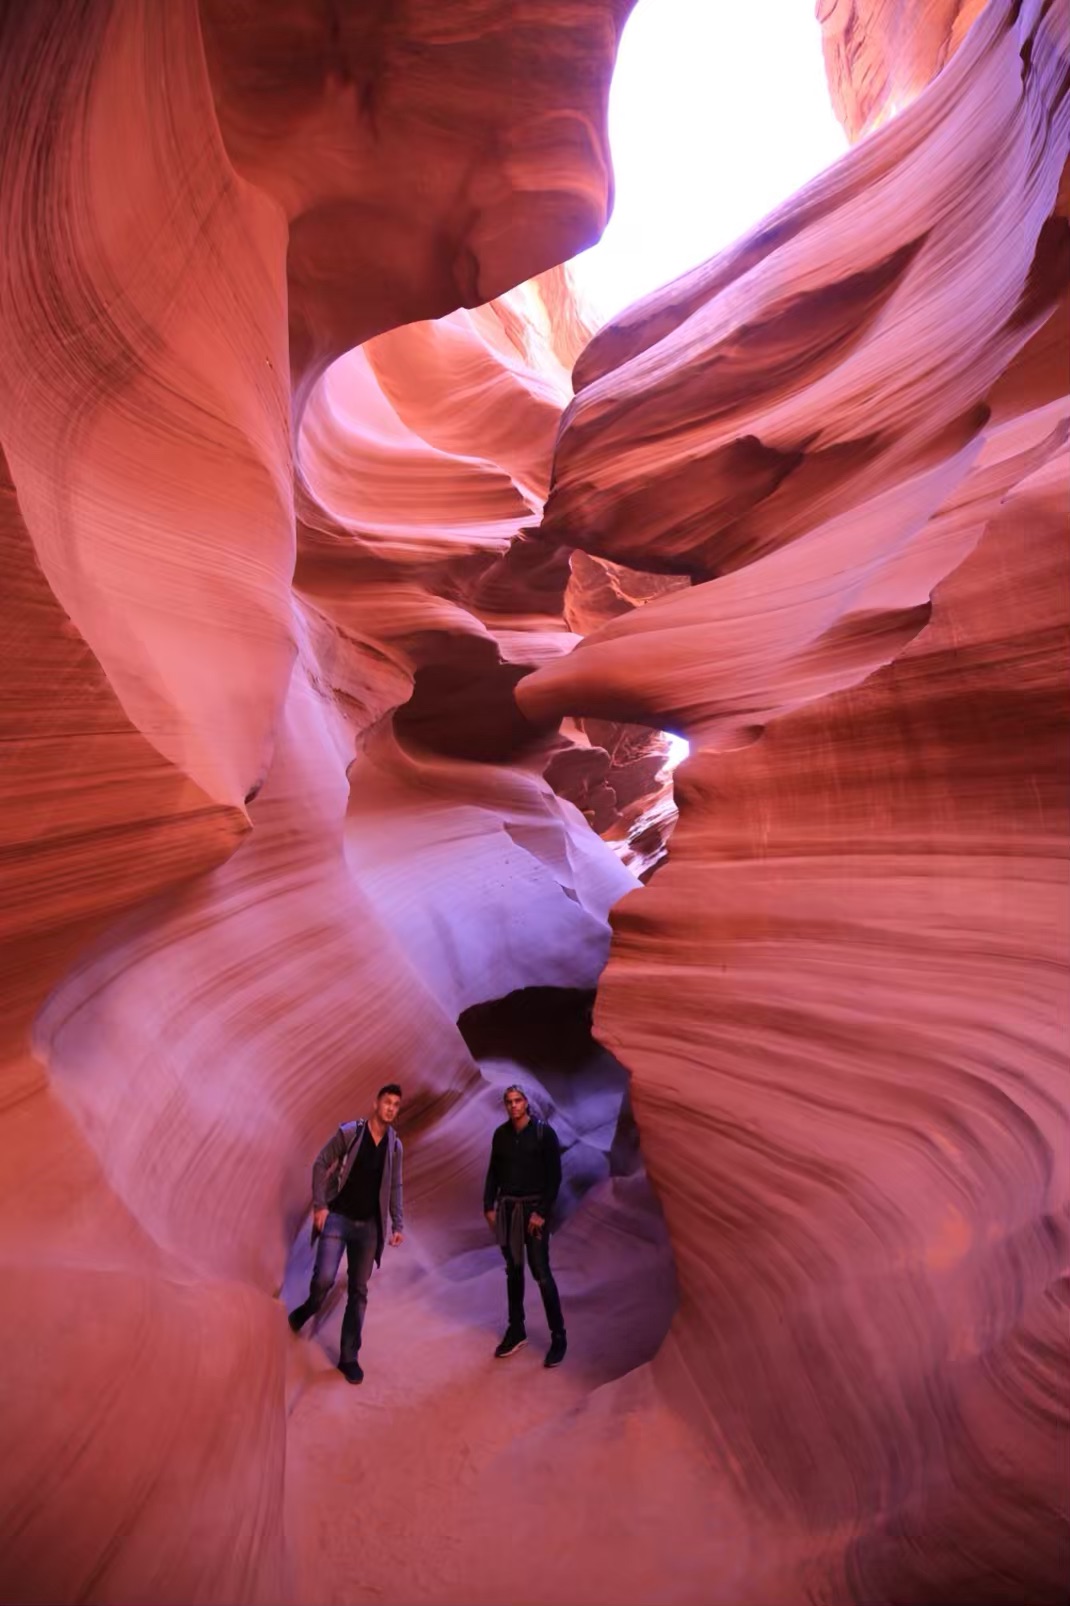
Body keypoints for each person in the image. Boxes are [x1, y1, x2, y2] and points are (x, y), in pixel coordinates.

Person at [288, 1083, 404, 1384]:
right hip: (338, 1220)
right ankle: (310, 1307)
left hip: (368, 1229)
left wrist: (397, 1224)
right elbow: (320, 1163)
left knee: (359, 1292)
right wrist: (320, 1205)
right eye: (387, 1102)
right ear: (376, 1103)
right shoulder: (351, 1133)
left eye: (396, 1104)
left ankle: (348, 1357)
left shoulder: (395, 1146)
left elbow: (395, 1186)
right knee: (324, 1279)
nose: (391, 1108)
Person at [483, 1083, 566, 1367]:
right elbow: (493, 1172)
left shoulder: (544, 1134)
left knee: (541, 1271)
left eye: (518, 1101)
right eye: (509, 1102)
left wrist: (541, 1212)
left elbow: (554, 1178)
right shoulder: (501, 1135)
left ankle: (559, 1337)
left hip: (533, 1211)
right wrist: (488, 1206)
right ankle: (516, 1329)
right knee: (513, 1271)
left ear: (526, 1103)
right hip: (508, 1210)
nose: (514, 1105)